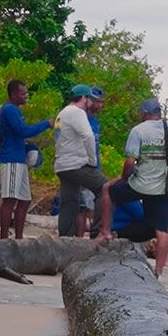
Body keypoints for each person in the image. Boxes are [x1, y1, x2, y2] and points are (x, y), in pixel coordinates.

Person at [112, 97, 168, 276]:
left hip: (141, 183)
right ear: (159, 113)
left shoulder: (138, 130)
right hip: (163, 186)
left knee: (108, 192)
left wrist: (124, 177)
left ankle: (103, 232)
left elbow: (129, 161)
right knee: (162, 228)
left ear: (144, 113)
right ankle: (159, 270)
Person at [0, 80, 50, 239]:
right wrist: (46, 124)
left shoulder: (15, 111)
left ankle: (19, 237)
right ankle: (4, 238)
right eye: (23, 93)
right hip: (11, 159)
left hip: (20, 159)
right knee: (9, 199)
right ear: (13, 95)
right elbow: (22, 131)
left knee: (25, 200)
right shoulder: (10, 110)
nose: (26, 96)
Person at [53, 84, 108, 238]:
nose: (91, 102)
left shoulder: (62, 113)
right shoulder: (77, 112)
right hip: (76, 165)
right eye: (90, 98)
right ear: (84, 98)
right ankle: (97, 232)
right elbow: (88, 136)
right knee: (105, 188)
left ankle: (65, 238)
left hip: (62, 165)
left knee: (69, 203)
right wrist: (92, 161)